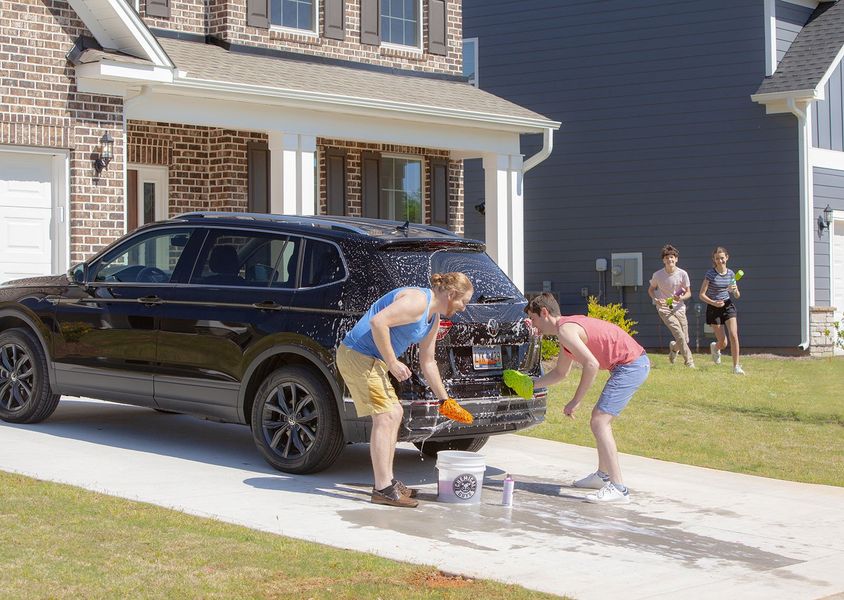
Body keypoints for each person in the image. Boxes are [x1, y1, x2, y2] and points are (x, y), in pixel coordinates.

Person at [336, 272, 474, 508]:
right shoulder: (417, 301)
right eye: (464, 301)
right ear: (451, 294)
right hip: (357, 354)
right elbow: (378, 322)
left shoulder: (433, 319)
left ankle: (387, 482)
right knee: (386, 415)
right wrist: (392, 361)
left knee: (395, 413)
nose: (463, 308)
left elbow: (428, 362)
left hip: (371, 359)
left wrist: (445, 401)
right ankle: (383, 488)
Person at [523, 292, 649, 504]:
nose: (534, 326)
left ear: (544, 312)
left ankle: (618, 488)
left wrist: (575, 401)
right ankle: (602, 476)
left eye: (534, 319)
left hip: (631, 365)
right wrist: (530, 384)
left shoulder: (565, 330)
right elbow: (560, 373)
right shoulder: (565, 331)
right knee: (599, 420)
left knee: (600, 421)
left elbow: (592, 364)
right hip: (629, 365)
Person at [647, 244, 695, 368]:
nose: (670, 260)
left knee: (685, 338)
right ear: (663, 260)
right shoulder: (657, 275)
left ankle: (674, 348)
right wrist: (655, 299)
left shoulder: (683, 274)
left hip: (679, 307)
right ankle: (689, 362)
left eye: (672, 257)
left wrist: (681, 297)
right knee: (679, 334)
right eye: (667, 258)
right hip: (664, 308)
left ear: (676, 259)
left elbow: (688, 292)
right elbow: (651, 290)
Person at [699, 246, 744, 375]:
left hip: (728, 305)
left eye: (722, 258)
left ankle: (736, 367)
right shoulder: (710, 274)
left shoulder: (731, 274)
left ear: (727, 258)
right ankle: (716, 347)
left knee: (734, 335)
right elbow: (701, 294)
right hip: (714, 308)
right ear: (714, 259)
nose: (720, 261)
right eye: (717, 258)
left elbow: (737, 295)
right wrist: (713, 302)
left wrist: (735, 290)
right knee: (723, 343)